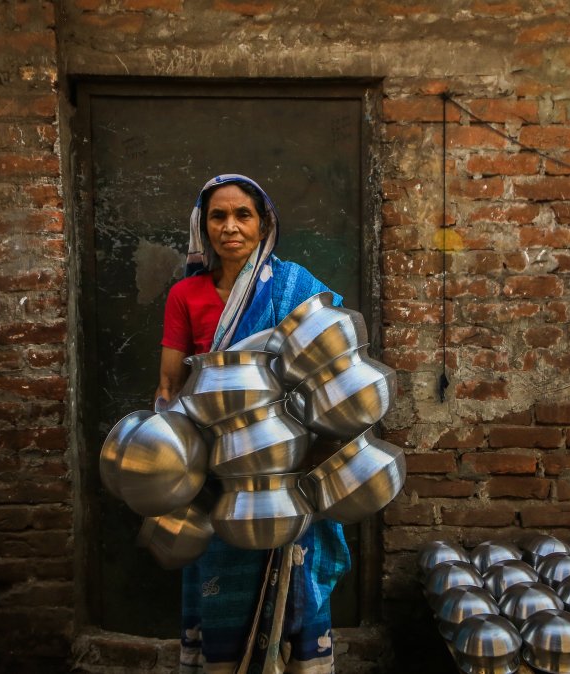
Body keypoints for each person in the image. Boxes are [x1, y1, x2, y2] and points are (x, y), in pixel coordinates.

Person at [156, 174, 350, 674]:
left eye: (243, 214)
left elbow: (334, 367)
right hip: (216, 468)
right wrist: (168, 455)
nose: (230, 227)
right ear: (202, 227)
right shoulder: (185, 295)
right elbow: (169, 385)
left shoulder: (294, 287)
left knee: (293, 570)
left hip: (286, 461)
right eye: (217, 216)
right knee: (220, 572)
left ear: (264, 224)